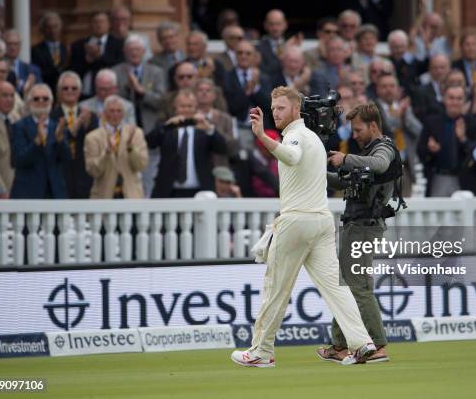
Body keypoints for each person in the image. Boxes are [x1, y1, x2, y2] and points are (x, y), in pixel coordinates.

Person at [230, 86, 376, 367]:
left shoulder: (296, 136)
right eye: (273, 109)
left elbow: (291, 157)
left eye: (281, 108)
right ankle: (361, 343)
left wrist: (261, 136)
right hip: (321, 222)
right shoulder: (312, 139)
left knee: (275, 290)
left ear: (297, 109)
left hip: (297, 221)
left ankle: (261, 352)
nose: (276, 113)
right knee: (336, 287)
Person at [317, 102, 396, 363]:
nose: (354, 135)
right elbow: (344, 181)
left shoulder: (382, 148)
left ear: (373, 126)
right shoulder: (369, 151)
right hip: (357, 224)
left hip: (364, 226)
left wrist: (345, 159)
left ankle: (378, 345)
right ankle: (339, 346)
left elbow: (381, 165)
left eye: (358, 129)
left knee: (357, 287)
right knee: (347, 286)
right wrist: (320, 171)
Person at [147, 90, 227, 197]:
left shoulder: (204, 127)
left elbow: (223, 148)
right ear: (175, 107)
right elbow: (149, 143)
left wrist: (209, 129)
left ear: (196, 108)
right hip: (169, 191)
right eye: (182, 106)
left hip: (200, 191)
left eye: (190, 106)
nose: (186, 110)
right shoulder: (167, 127)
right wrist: (167, 126)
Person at [10, 84, 70, 198]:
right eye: (36, 98)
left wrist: (60, 140)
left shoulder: (58, 127)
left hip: (55, 193)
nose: (41, 101)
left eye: (45, 98)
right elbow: (19, 159)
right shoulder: (19, 126)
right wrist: (37, 141)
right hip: (27, 194)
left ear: (51, 102)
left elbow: (67, 158)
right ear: (29, 103)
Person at [417, 85, 476, 197]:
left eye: (459, 98)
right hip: (438, 177)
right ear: (444, 99)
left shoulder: (472, 122)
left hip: (464, 180)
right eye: (451, 98)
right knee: (436, 213)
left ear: (464, 100)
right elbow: (420, 151)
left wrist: (463, 139)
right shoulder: (431, 122)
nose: (455, 102)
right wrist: (431, 150)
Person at [84, 95, 148, 198]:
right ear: (104, 113)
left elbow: (142, 165)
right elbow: (93, 170)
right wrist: (106, 153)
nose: (115, 114)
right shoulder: (92, 137)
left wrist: (130, 148)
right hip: (104, 197)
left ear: (123, 114)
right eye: (112, 111)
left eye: (118, 111)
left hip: (131, 196)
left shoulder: (136, 133)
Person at [50, 71, 99, 198]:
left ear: (80, 91)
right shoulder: (51, 116)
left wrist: (87, 126)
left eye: (74, 88)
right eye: (65, 88)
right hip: (59, 176)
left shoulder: (90, 116)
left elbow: (94, 146)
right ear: (59, 91)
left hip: (84, 178)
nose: (69, 91)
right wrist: (75, 126)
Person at [112, 34, 165, 132]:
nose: (134, 53)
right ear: (124, 51)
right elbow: (111, 100)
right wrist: (127, 88)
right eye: (130, 50)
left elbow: (161, 101)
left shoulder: (156, 72)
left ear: (143, 51)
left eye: (137, 49)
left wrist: (142, 92)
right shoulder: (115, 72)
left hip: (150, 127)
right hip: (123, 125)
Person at [69, 11, 125, 98]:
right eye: (95, 22)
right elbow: (73, 70)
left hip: (110, 92)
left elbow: (119, 66)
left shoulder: (118, 44)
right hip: (84, 93)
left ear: (109, 24)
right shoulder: (78, 45)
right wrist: (87, 61)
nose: (99, 25)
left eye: (102, 22)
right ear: (90, 25)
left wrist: (100, 57)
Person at [31, 11, 67, 94]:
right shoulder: (36, 50)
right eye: (49, 27)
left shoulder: (66, 49)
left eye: (55, 26)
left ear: (60, 28)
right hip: (45, 91)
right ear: (43, 29)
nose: (53, 30)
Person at [4, 29, 42, 96]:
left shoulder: (32, 70)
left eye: (15, 44)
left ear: (20, 46)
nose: (12, 47)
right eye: (9, 44)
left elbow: (40, 93)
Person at [256, 9, 288, 77]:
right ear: (265, 25)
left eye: (278, 24)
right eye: (271, 24)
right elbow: (263, 72)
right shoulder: (258, 48)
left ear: (285, 24)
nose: (275, 28)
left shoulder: (292, 46)